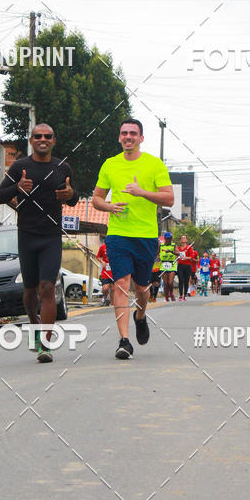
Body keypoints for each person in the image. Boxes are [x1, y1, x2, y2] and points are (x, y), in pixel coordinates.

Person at [0, 122, 78, 363]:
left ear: (53, 140)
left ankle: (45, 343)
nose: (43, 139)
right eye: (38, 136)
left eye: (48, 136)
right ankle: (34, 324)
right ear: (31, 141)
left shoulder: (62, 167)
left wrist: (70, 195)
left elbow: (75, 197)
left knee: (48, 288)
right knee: (30, 291)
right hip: (27, 235)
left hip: (51, 236)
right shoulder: (21, 166)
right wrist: (17, 187)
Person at [92, 118, 174, 360]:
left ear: (141, 138)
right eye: (124, 133)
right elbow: (96, 198)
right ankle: (124, 340)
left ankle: (140, 315)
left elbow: (169, 199)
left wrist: (141, 192)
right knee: (121, 283)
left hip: (146, 235)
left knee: (142, 287)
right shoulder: (110, 165)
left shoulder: (154, 164)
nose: (128, 137)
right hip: (118, 234)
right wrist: (108, 207)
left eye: (133, 133)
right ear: (119, 137)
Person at [159, 232, 178, 302]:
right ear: (164, 239)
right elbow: (157, 254)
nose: (169, 240)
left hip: (172, 265)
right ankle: (166, 297)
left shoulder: (173, 245)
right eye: (167, 239)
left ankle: (172, 294)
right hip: (163, 265)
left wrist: (171, 251)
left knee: (170, 282)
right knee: (165, 283)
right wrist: (157, 257)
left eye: (170, 239)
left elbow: (178, 253)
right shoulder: (161, 246)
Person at [96, 235, 114, 306]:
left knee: (113, 289)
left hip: (114, 271)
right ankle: (105, 297)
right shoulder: (102, 247)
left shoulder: (115, 247)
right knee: (105, 288)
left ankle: (112, 303)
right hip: (105, 271)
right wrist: (102, 262)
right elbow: (98, 256)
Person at [176, 234, 194, 300]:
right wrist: (177, 257)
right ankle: (180, 295)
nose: (183, 239)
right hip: (180, 265)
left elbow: (192, 257)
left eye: (184, 238)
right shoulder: (179, 248)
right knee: (180, 280)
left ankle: (185, 295)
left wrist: (186, 257)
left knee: (186, 281)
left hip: (187, 266)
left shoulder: (189, 248)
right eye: (182, 238)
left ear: (186, 240)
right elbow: (177, 257)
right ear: (180, 240)